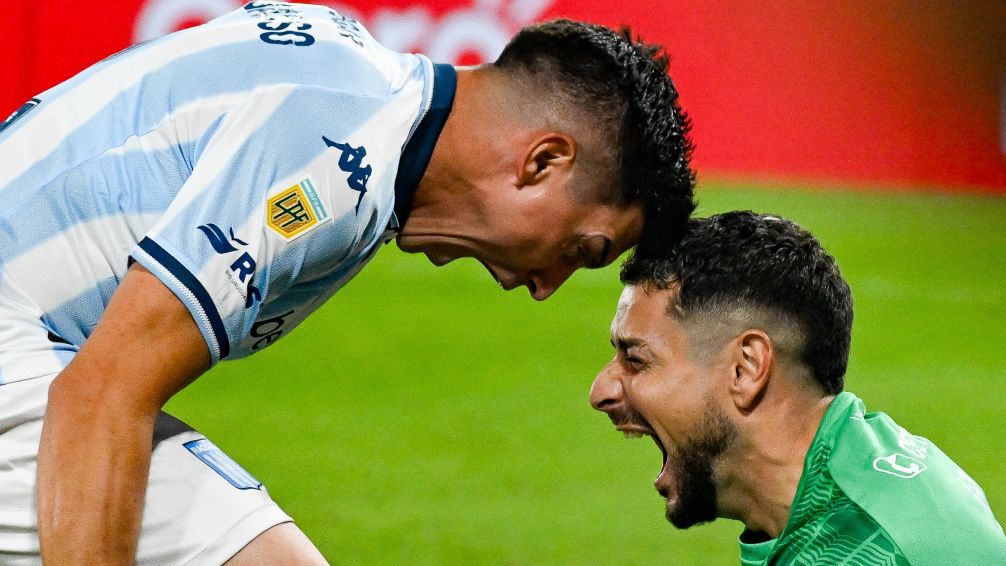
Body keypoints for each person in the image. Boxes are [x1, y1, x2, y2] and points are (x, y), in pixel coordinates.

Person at [0, 2, 695, 563]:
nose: (547, 286)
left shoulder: (357, 78)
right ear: (542, 162)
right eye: (581, 249)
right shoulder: (343, 155)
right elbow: (99, 396)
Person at [589, 211, 1006, 564]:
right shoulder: (857, 468)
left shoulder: (869, 548)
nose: (601, 391)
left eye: (636, 359)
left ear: (745, 369)